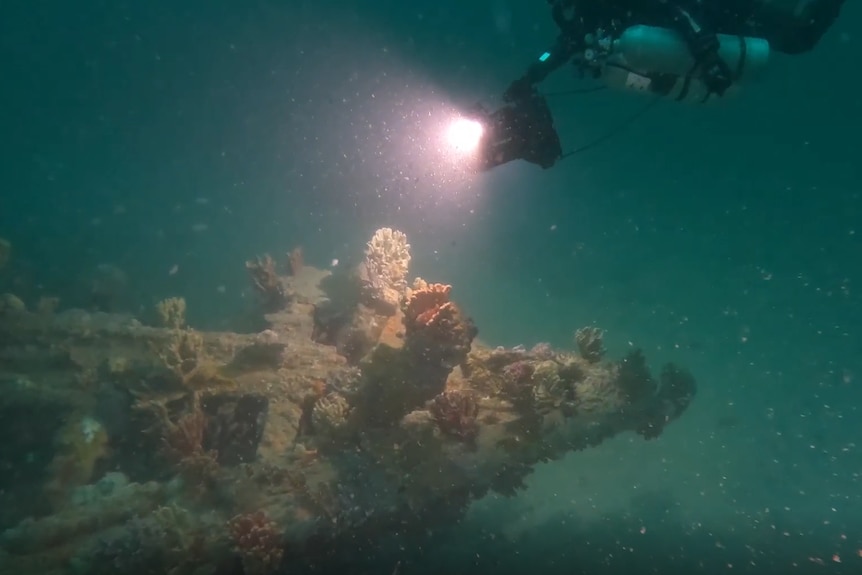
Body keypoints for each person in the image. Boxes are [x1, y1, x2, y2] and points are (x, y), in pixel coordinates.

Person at [472, 0, 846, 171]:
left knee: (799, 39)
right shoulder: (586, 13)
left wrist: (708, 56)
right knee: (795, 39)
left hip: (714, 16)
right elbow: (562, 48)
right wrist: (531, 76)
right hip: (692, 39)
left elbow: (677, 11)